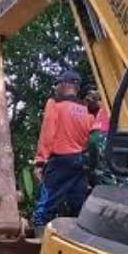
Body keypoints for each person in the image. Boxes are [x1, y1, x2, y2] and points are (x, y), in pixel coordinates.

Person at [31, 69, 92, 235]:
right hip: (79, 162)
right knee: (78, 206)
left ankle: (40, 243)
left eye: (57, 83)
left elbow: (47, 133)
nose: (56, 87)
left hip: (60, 162)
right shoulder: (86, 110)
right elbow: (88, 139)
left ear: (66, 84)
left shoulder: (55, 104)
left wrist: (40, 161)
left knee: (45, 207)